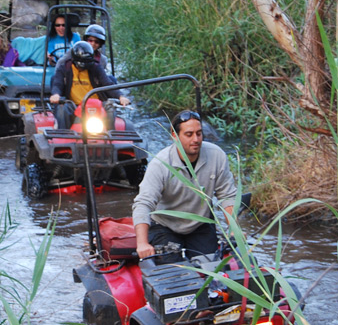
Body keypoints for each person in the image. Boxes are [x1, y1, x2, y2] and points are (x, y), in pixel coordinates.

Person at [132, 110, 238, 259]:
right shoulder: (160, 163)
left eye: (199, 133)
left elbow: (227, 195)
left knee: (210, 266)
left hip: (200, 223)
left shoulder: (217, 155)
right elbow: (143, 203)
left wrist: (235, 229)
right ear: (175, 136)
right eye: (189, 134)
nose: (196, 139)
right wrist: (142, 243)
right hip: (165, 225)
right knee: (173, 272)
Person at [49, 41, 130, 129]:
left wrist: (120, 96)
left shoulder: (96, 68)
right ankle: (63, 136)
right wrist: (56, 94)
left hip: (97, 105)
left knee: (110, 107)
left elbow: (107, 84)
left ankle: (110, 135)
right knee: (62, 108)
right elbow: (57, 83)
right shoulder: (65, 68)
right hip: (74, 105)